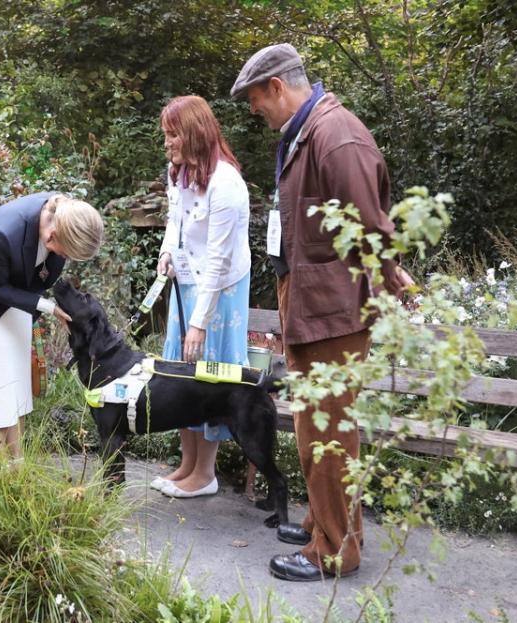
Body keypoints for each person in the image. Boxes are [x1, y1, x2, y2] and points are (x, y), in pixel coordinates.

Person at [230, 43, 413, 581]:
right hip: (313, 305)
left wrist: (387, 290)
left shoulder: (336, 137)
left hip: (335, 311)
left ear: (277, 87)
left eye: (254, 99)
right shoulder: (306, 133)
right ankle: (322, 524)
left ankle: (334, 550)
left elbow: (373, 231)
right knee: (314, 427)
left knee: (328, 432)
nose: (253, 110)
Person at [0, 193, 104, 457]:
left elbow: (39, 277)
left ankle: (16, 462)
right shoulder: (4, 230)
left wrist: (47, 307)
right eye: (66, 253)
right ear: (54, 235)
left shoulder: (66, 218)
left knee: (16, 387)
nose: (65, 258)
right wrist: (48, 307)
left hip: (18, 301)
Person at [151, 95, 252, 498]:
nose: (167, 143)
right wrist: (165, 252)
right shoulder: (178, 172)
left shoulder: (226, 184)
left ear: (193, 134)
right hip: (186, 283)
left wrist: (199, 323)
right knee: (180, 372)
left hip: (219, 291)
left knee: (207, 374)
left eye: (173, 135)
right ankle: (187, 464)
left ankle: (205, 474)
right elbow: (174, 220)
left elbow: (218, 259)